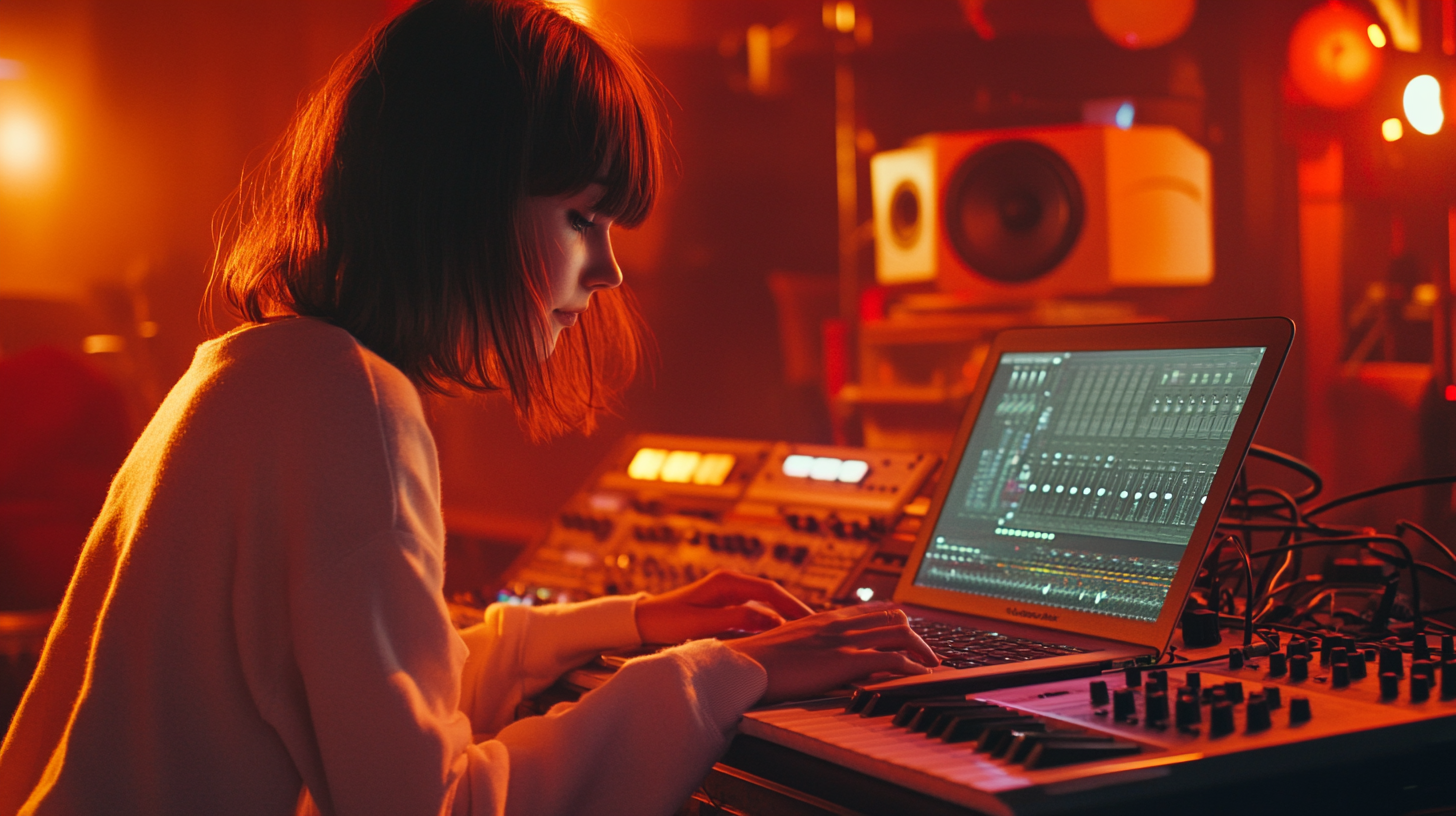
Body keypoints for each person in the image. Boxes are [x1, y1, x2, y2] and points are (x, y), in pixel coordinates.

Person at [0, 1, 935, 814]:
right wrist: (737, 670)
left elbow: (377, 697)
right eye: (584, 218)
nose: (606, 271)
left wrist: (637, 619)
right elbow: (443, 803)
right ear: (463, 197)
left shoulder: (252, 370)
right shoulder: (347, 400)